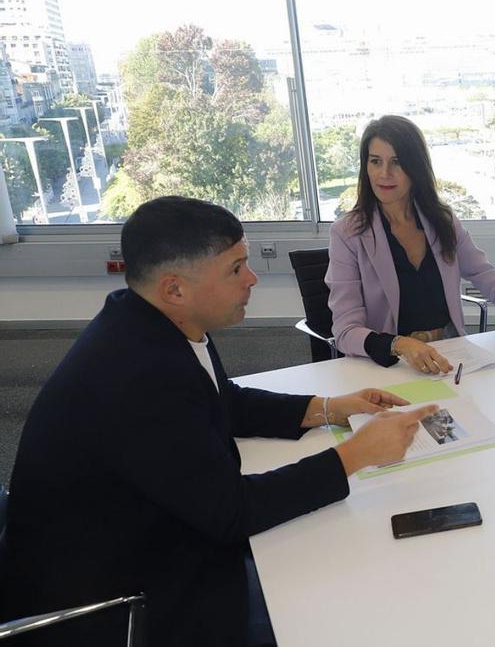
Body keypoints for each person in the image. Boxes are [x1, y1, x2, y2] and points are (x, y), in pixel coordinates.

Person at [0, 196, 438, 646]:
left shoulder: (150, 321)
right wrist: (354, 455)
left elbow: (222, 399)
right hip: (119, 602)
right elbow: (232, 512)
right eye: (235, 269)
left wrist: (328, 407)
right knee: (331, 610)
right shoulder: (139, 377)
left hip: (142, 537)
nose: (252, 279)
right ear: (174, 289)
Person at [327, 115, 495, 373]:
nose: (384, 174)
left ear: (415, 167)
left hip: (451, 354)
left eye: (397, 162)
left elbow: (488, 278)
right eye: (375, 161)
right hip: (392, 363)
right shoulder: (348, 233)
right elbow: (345, 331)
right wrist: (400, 344)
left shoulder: (441, 220)